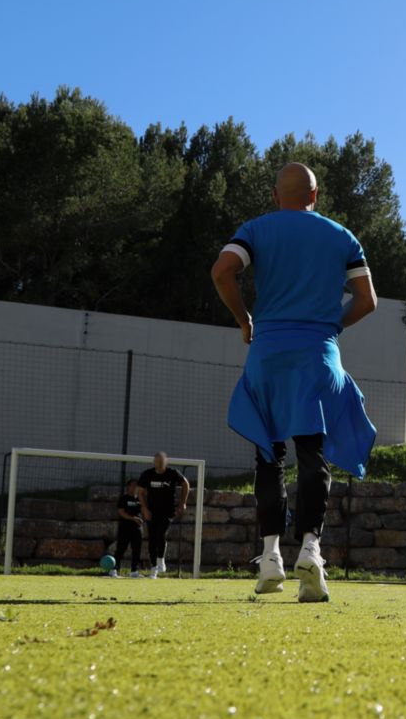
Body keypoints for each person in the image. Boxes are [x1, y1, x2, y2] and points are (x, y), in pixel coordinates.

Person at [213, 163, 378, 602]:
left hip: (267, 355)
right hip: (317, 356)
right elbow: (368, 300)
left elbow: (222, 270)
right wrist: (331, 327)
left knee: (269, 456)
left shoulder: (255, 229)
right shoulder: (342, 237)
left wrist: (244, 319)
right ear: (315, 194)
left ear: (274, 195)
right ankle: (310, 549)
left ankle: (270, 557)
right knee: (313, 454)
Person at [137, 451, 191, 577]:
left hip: (167, 511)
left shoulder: (172, 473)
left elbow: (185, 484)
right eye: (157, 461)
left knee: (160, 534)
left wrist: (183, 502)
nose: (159, 464)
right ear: (154, 462)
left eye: (162, 461)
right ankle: (154, 568)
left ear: (166, 461)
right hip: (151, 511)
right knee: (151, 539)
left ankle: (161, 560)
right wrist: (144, 509)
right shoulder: (147, 474)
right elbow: (140, 492)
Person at [112, 480, 147, 578]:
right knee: (121, 549)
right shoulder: (123, 499)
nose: (135, 488)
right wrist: (133, 518)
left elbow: (144, 511)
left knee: (137, 549)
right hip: (125, 528)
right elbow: (121, 512)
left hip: (137, 529)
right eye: (133, 486)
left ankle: (134, 571)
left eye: (137, 486)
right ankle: (114, 569)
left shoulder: (140, 499)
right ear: (128, 487)